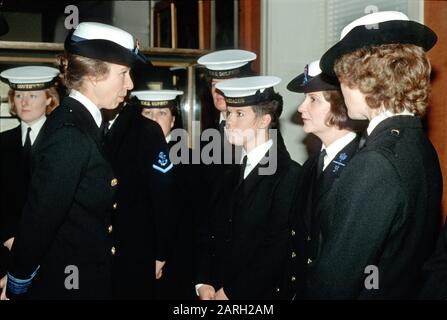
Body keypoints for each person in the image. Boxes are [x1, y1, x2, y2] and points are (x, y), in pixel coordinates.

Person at [2, 21, 145, 299]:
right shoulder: (71, 134)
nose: (130, 84)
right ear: (94, 74)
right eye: (124, 73)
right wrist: (18, 283)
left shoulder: (82, 123)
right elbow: (40, 219)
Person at [307, 11, 443, 299]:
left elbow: (334, 282)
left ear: (364, 79)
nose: (342, 89)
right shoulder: (420, 145)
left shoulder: (375, 162)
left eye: (343, 78)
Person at [196, 76, 302, 300]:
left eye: (240, 114)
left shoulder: (288, 174)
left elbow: (276, 249)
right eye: (228, 114)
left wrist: (233, 292)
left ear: (264, 120)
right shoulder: (229, 171)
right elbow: (210, 231)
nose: (228, 122)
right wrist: (204, 280)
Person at [287, 59, 361, 299]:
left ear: (340, 105)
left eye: (313, 99)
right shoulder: (310, 165)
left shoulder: (361, 166)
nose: (300, 108)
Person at [102, 88, 176, 300]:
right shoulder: (94, 125)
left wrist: (160, 253)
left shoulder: (146, 131)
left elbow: (164, 197)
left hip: (135, 251)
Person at [0, 66, 60, 296]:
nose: (24, 102)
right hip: (7, 251)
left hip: (53, 253)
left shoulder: (61, 141)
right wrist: (8, 237)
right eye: (19, 95)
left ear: (48, 99)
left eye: (33, 95)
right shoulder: (3, 142)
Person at [132, 90, 197, 299]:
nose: (154, 120)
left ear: (173, 120)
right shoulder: (126, 157)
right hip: (136, 256)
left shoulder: (191, 160)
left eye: (161, 113)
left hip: (178, 260)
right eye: (148, 113)